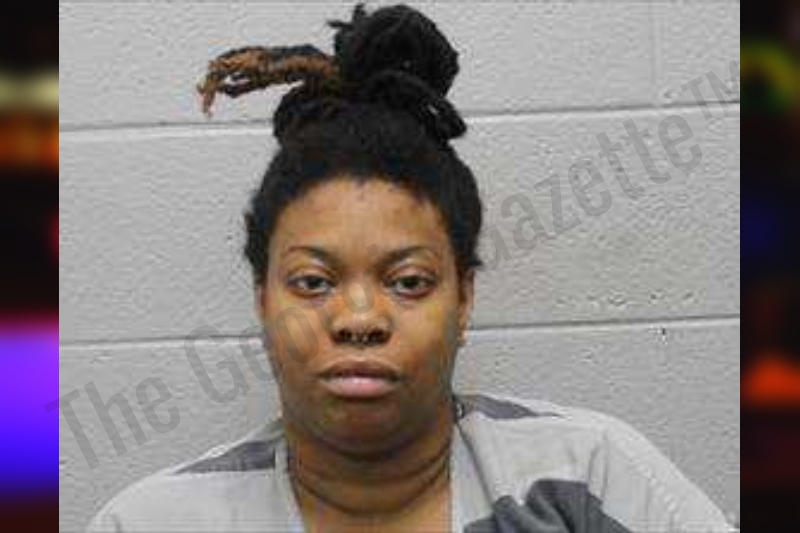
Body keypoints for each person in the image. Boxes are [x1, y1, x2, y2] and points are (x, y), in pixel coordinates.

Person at [88, 3, 735, 532]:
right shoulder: (153, 521)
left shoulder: (588, 479)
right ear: (263, 299)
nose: (360, 319)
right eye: (313, 282)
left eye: (408, 282)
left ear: (464, 299)